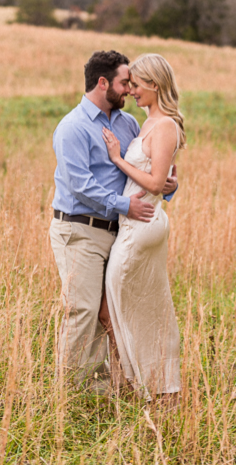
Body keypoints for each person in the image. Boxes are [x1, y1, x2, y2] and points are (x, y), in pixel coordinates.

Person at [49, 50, 178, 392]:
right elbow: (80, 185)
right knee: (83, 310)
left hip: (120, 231)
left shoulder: (128, 123)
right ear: (103, 82)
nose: (129, 91)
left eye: (134, 84)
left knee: (114, 311)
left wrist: (166, 188)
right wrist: (126, 205)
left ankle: (115, 385)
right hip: (80, 229)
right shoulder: (72, 127)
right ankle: (72, 391)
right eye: (125, 83)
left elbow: (143, 172)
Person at [100, 53, 185, 401]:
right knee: (119, 305)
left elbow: (153, 184)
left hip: (142, 225)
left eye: (136, 84)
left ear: (154, 84)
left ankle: (158, 387)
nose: (131, 90)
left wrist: (118, 158)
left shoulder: (165, 126)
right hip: (131, 224)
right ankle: (133, 384)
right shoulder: (147, 123)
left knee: (132, 304)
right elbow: (162, 180)